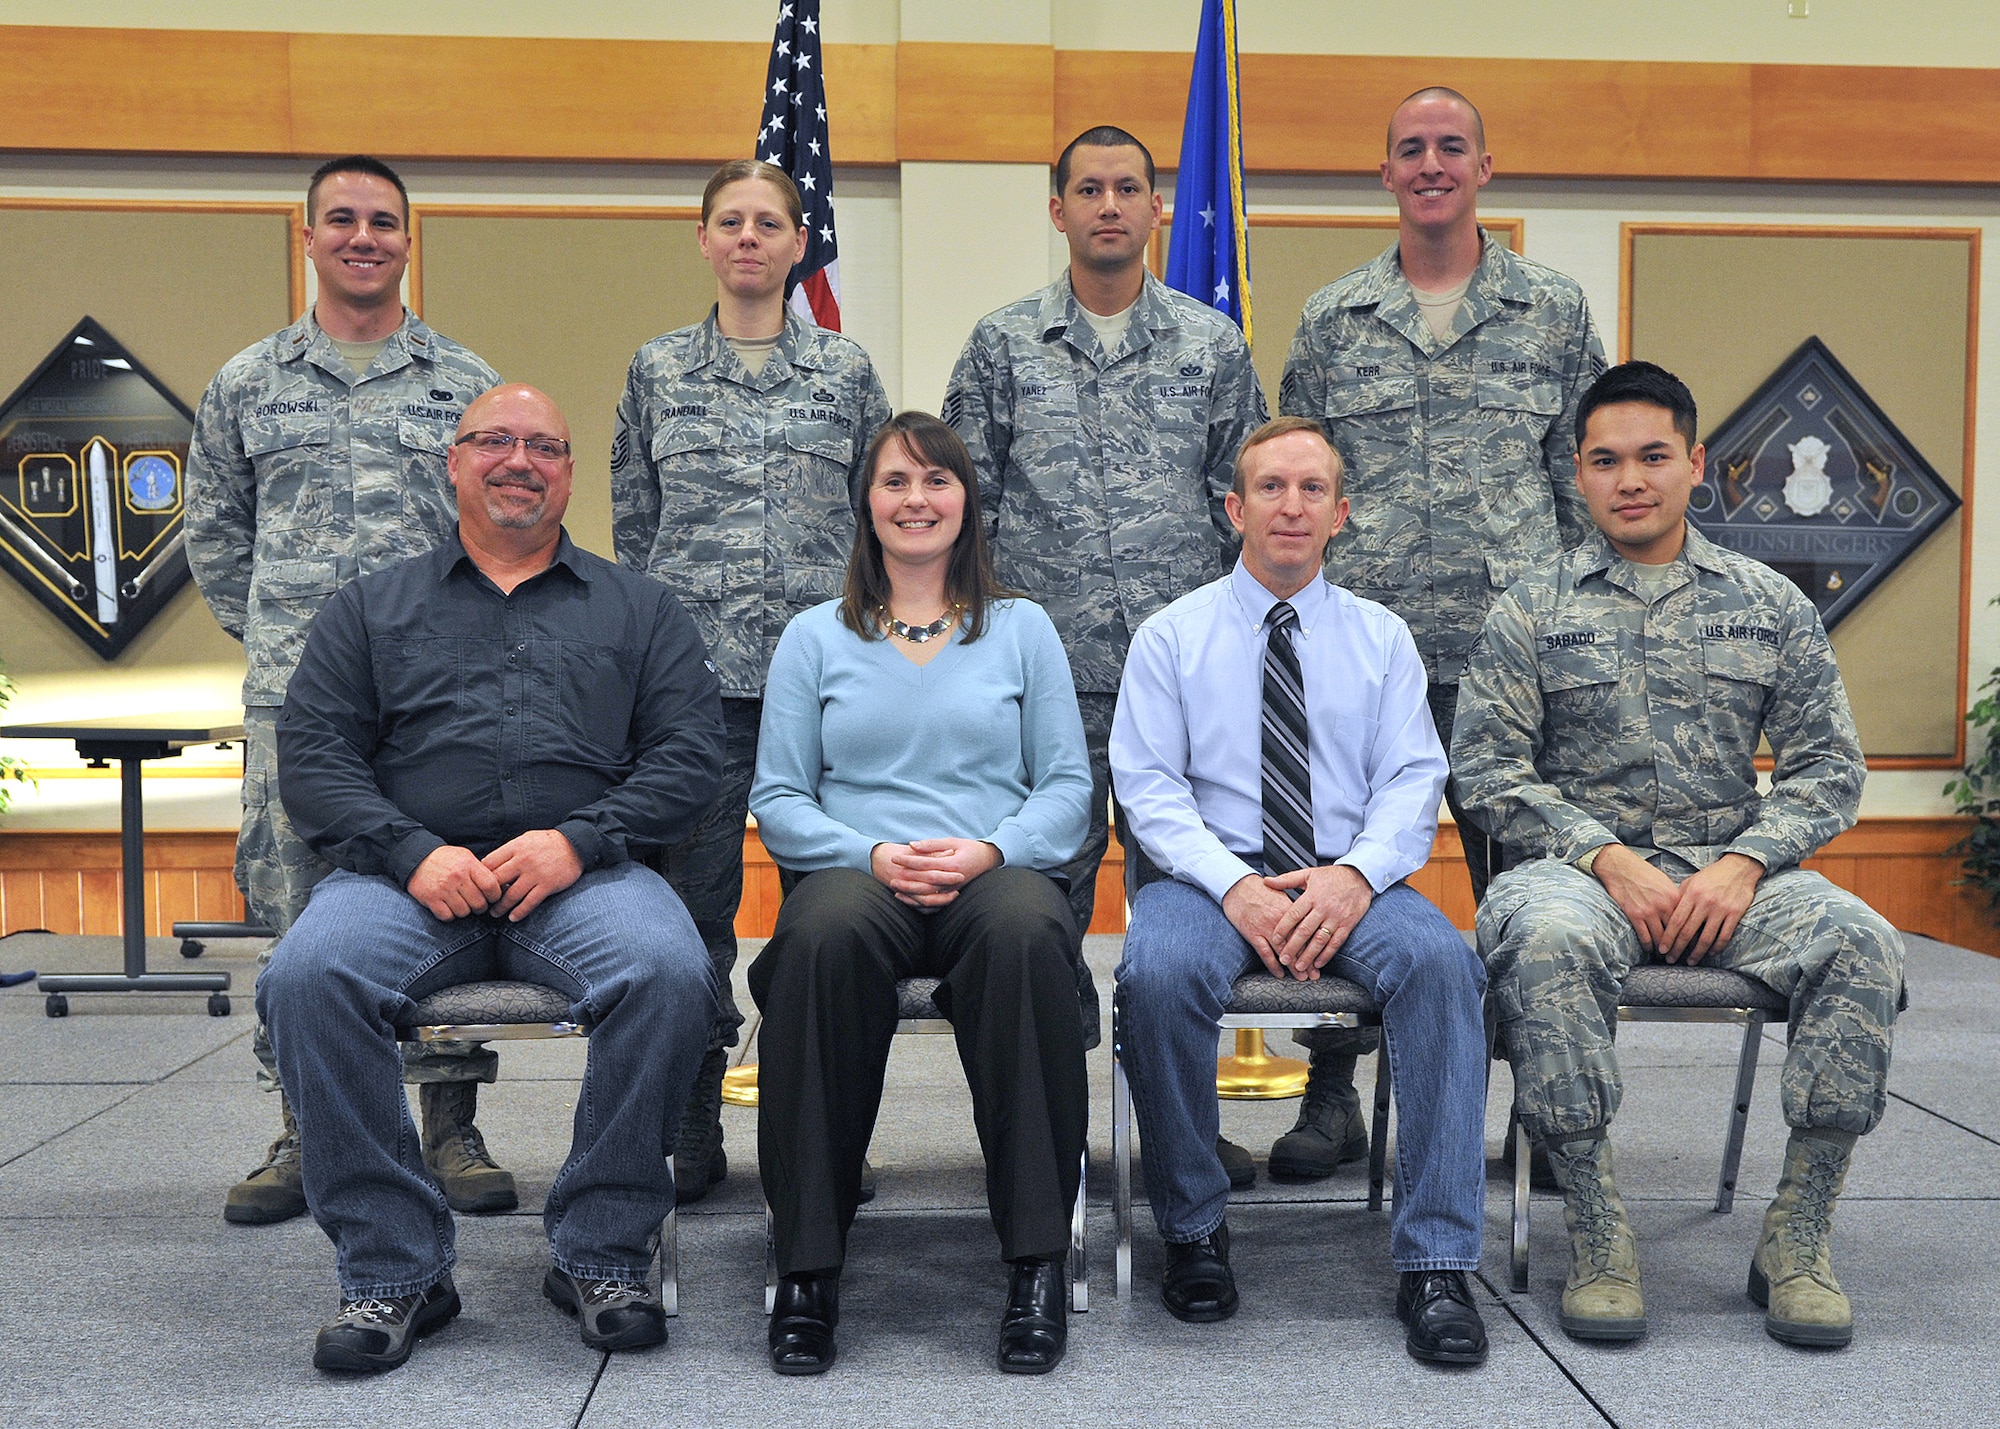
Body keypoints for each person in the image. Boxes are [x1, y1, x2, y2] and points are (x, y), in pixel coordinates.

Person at [260, 383, 725, 1373]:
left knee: (670, 971)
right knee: (306, 976)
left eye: (545, 447)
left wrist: (581, 838)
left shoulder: (639, 609)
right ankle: (395, 1269)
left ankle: (600, 1252)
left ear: (568, 471)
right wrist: (409, 850)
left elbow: (687, 760)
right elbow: (314, 758)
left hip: (584, 878)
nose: (520, 461)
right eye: (495, 442)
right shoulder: (370, 607)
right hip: (406, 881)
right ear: (454, 463)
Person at [1454, 361, 1904, 1348]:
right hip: (1582, 878)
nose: (1629, 480)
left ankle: (1796, 1231)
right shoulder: (1531, 606)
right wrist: (1600, 855)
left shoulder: (1764, 601)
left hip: (1730, 875)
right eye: (1605, 460)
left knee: (1859, 939)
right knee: (1535, 936)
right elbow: (1484, 767)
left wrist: (1743, 863)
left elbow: (1827, 765)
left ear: (1693, 464)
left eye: (1652, 456)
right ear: (1576, 472)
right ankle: (1596, 1226)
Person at [1273, 87, 1609, 1182]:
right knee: (1333, 871)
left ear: (1483, 166)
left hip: (1511, 665)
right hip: (1358, 666)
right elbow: (1299, 486)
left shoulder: (1549, 312)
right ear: (1383, 174)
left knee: (1523, 887)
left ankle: (1547, 1111)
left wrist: (1572, 634)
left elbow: (1584, 489)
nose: (1429, 163)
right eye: (1408, 148)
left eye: (1448, 147)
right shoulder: (1332, 319)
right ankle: (1331, 1099)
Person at [1110, 417, 1490, 1365]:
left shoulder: (1382, 638)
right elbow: (1148, 789)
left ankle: (1438, 1260)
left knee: (1445, 965)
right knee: (1155, 976)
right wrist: (1236, 886)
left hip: (1347, 876)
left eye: (1311, 489)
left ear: (1341, 513)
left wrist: (1355, 877)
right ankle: (1193, 1230)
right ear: (1235, 508)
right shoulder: (1171, 636)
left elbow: (1414, 777)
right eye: (1271, 488)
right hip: (1206, 881)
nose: (1291, 505)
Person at [186, 155, 515, 1228]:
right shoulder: (246, 381)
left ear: (407, 239)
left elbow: (494, 532)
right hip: (295, 701)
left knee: (446, 899)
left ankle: (449, 1130)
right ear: (307, 234)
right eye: (342, 219)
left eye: (382, 220)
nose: (362, 235)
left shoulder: (462, 381)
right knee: (294, 917)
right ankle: (305, 1127)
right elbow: (216, 534)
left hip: (436, 708)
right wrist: (295, 649)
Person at [747, 412, 1091, 1377]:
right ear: (867, 502)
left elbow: (1068, 787)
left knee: (1030, 934)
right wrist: (870, 851)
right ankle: (807, 1266)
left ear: (967, 502)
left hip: (995, 872)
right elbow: (776, 796)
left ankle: (1034, 1261)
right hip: (863, 873)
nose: (917, 500)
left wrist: (992, 850)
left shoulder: (1022, 629)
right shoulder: (815, 636)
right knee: (816, 940)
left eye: (937, 482)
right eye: (896, 482)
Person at [943, 124, 1268, 1087]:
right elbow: (969, 511)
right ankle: (1058, 1126)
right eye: (1089, 190)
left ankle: (1172, 1119)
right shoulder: (1002, 345)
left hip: (1186, 682)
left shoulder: (1212, 345)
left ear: (1158, 206)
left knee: (1186, 906)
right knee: (1044, 904)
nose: (1110, 206)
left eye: (1129, 188)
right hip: (1048, 682)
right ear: (1059, 211)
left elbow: (1238, 508)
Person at [612, 159, 891, 1201]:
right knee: (691, 915)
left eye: (767, 222)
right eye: (728, 221)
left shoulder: (845, 373)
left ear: (795, 242)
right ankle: (691, 1119)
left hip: (827, 689)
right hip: (694, 696)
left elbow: (881, 523)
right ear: (702, 239)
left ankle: (827, 1126)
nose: (746, 238)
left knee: (834, 918)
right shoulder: (656, 370)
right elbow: (635, 529)